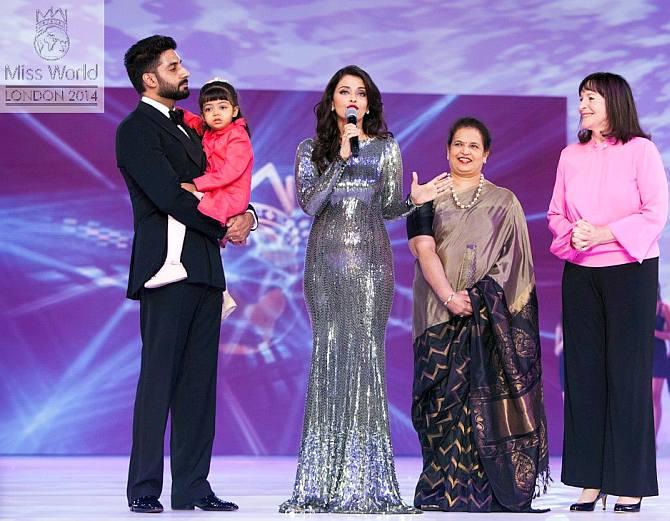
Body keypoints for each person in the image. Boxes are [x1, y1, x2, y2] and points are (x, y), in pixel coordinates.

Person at [279, 65, 448, 514]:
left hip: (372, 268)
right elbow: (311, 203)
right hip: (325, 267)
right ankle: (321, 479)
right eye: (343, 91)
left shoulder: (387, 147)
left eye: (360, 93)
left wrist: (418, 199)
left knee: (366, 362)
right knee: (330, 358)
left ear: (368, 103)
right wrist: (340, 157)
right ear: (331, 101)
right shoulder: (310, 148)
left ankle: (364, 480)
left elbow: (390, 206)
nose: (352, 98)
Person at [116, 35, 256, 514]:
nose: (185, 71)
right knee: (159, 379)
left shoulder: (191, 129)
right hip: (165, 270)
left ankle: (194, 487)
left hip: (205, 269)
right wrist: (223, 221)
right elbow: (168, 196)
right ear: (151, 78)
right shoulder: (136, 130)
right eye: (174, 65)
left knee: (199, 383)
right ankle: (144, 489)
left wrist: (249, 216)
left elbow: (228, 181)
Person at [407, 117, 549, 513]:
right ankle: (439, 492)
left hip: (484, 317)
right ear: (447, 149)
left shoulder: (504, 202)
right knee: (436, 403)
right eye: (457, 144)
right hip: (435, 311)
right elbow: (422, 249)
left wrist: (479, 298)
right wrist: (450, 296)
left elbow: (516, 263)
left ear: (486, 154)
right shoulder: (427, 197)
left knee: (478, 405)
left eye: (473, 145)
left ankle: (482, 493)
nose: (464, 151)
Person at [548, 72, 668, 513]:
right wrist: (575, 235)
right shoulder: (569, 155)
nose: (582, 104)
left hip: (631, 273)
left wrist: (603, 233)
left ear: (614, 102)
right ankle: (589, 481)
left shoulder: (642, 151)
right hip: (580, 274)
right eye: (581, 97)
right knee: (582, 375)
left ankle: (629, 482)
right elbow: (556, 213)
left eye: (591, 97)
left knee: (628, 374)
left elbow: (655, 212)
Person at [145, 78, 253, 313]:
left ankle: (172, 262)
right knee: (201, 232)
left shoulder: (237, 136)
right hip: (218, 191)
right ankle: (223, 295)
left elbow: (229, 172)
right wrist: (174, 110)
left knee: (177, 205)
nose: (215, 113)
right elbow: (193, 121)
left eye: (222, 107)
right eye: (208, 109)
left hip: (229, 195)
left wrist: (197, 184)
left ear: (234, 111)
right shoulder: (210, 131)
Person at [653, 287, 670, 438]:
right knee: (645, 397)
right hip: (644, 355)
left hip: (659, 355)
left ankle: (654, 437)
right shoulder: (641, 306)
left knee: (655, 396)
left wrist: (655, 333)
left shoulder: (663, 308)